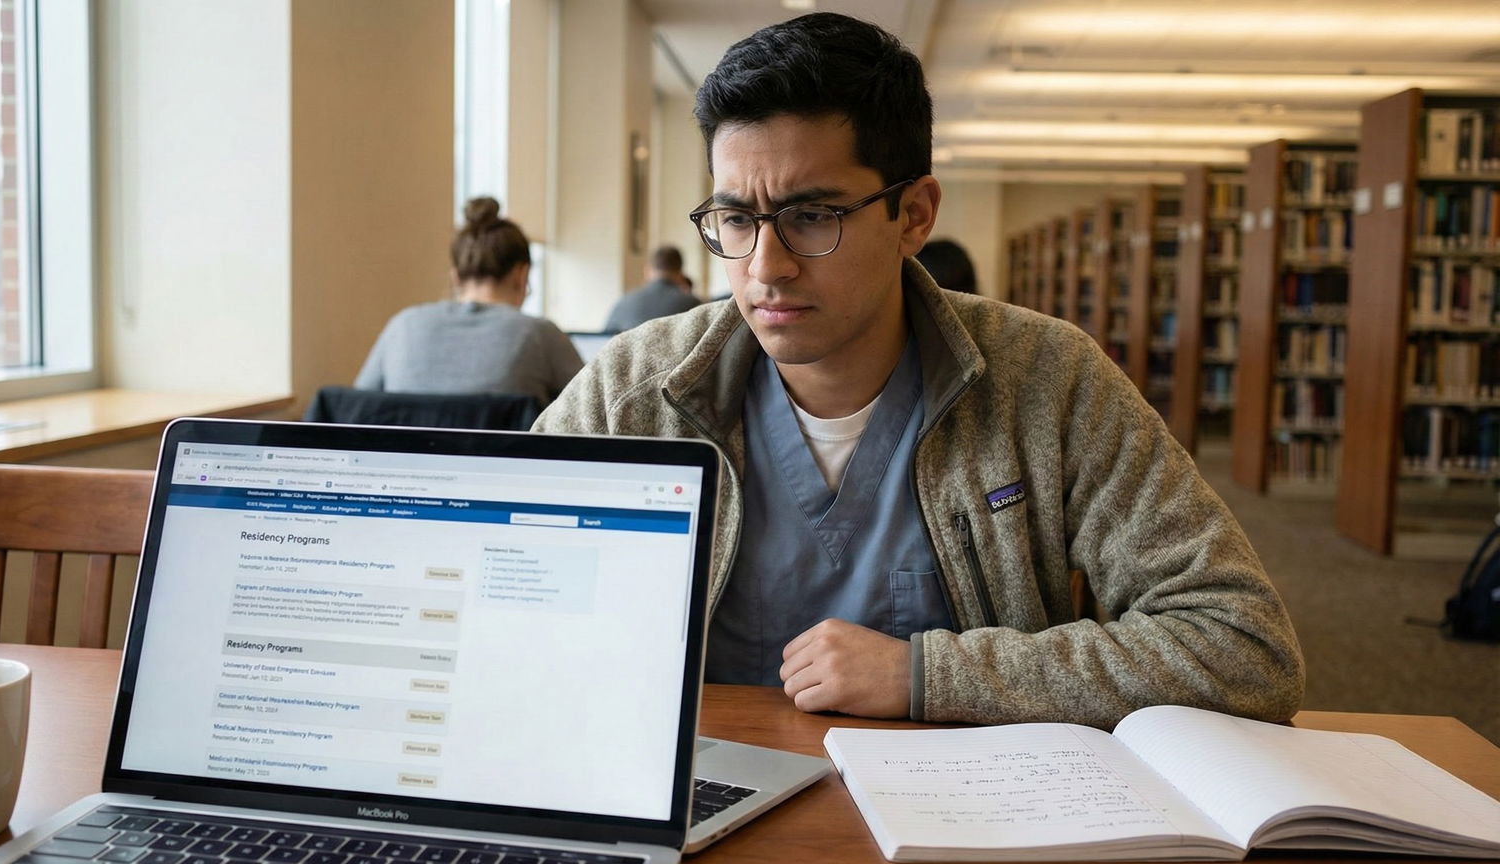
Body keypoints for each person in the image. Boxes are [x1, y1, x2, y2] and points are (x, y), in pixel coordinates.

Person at [534, 13, 1302, 729]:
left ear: (914, 215)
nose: (766, 268)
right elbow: (496, 593)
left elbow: (1242, 645)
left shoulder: (1048, 380)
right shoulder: (634, 391)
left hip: (964, 815)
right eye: (737, 219)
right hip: (701, 807)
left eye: (813, 216)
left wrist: (928, 675)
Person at [354, 196, 582, 407]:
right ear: (521, 275)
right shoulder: (540, 335)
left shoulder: (402, 325)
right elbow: (595, 416)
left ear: (455, 278)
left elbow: (356, 408)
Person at [603, 244, 702, 333]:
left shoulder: (624, 302)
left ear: (647, 270)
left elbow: (605, 340)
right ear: (680, 273)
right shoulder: (693, 304)